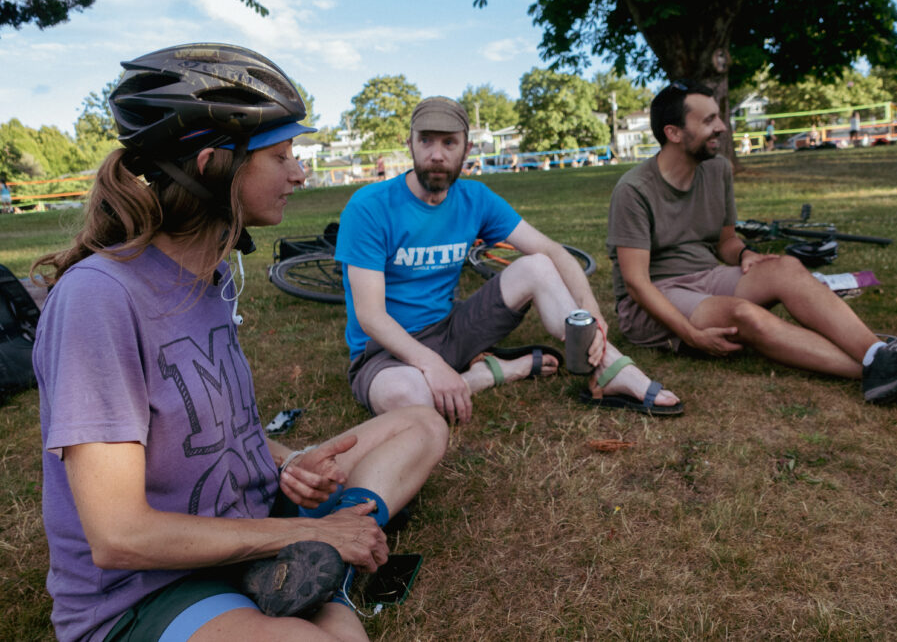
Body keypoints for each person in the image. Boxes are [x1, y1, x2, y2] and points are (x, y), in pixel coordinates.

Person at [31, 44, 448, 642]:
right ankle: (327, 559)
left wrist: (290, 463)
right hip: (152, 585)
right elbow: (118, 534)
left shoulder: (211, 276)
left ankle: (326, 560)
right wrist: (308, 535)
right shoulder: (99, 299)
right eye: (281, 156)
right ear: (213, 165)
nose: (299, 173)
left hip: (245, 524)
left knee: (421, 425)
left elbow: (216, 430)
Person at [606, 80, 897, 404]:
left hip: (707, 274)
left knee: (785, 267)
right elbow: (637, 285)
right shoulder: (634, 190)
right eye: (708, 121)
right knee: (745, 315)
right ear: (673, 133)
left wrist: (747, 254)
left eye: (719, 116)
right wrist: (691, 335)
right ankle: (892, 369)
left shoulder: (717, 170)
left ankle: (880, 356)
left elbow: (727, 243)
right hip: (652, 300)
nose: (721, 127)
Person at [335, 96, 683, 423]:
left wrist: (590, 311)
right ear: (409, 143)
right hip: (385, 352)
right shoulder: (369, 207)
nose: (437, 154)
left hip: (452, 331)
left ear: (466, 149)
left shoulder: (475, 198)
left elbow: (551, 251)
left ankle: (610, 368)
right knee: (410, 399)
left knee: (538, 265)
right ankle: (485, 375)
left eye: (449, 143)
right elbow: (371, 316)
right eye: (426, 141)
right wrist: (429, 364)